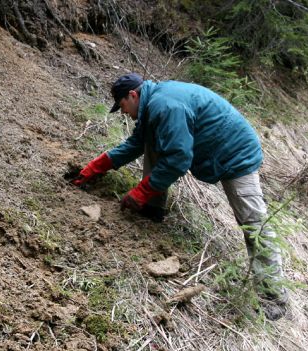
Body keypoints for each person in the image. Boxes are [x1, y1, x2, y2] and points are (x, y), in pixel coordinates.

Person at [71, 73, 288, 320]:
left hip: (236, 153)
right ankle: (152, 209)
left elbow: (178, 159)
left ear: (133, 95)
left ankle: (274, 297)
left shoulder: (165, 105)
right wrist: (95, 167)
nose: (123, 112)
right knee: (153, 141)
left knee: (254, 223)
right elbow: (137, 144)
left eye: (121, 106)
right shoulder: (153, 104)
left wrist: (140, 191)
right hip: (215, 148)